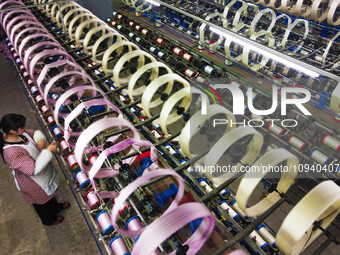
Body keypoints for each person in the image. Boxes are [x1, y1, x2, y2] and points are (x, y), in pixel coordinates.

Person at [0, 113, 70, 225]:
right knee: (42, 203)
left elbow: (33, 132)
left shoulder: (20, 134)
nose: (24, 128)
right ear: (12, 131)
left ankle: (55, 207)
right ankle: (48, 220)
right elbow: (33, 170)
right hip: (33, 182)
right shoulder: (11, 152)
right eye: (22, 127)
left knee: (50, 194)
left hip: (43, 172)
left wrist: (39, 140)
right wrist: (48, 151)